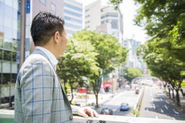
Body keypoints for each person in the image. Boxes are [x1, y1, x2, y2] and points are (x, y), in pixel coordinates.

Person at [14, 12, 98, 123]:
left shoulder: (40, 63)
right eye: (66, 35)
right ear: (57, 37)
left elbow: (47, 106)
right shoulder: (39, 64)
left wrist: (77, 110)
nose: (67, 39)